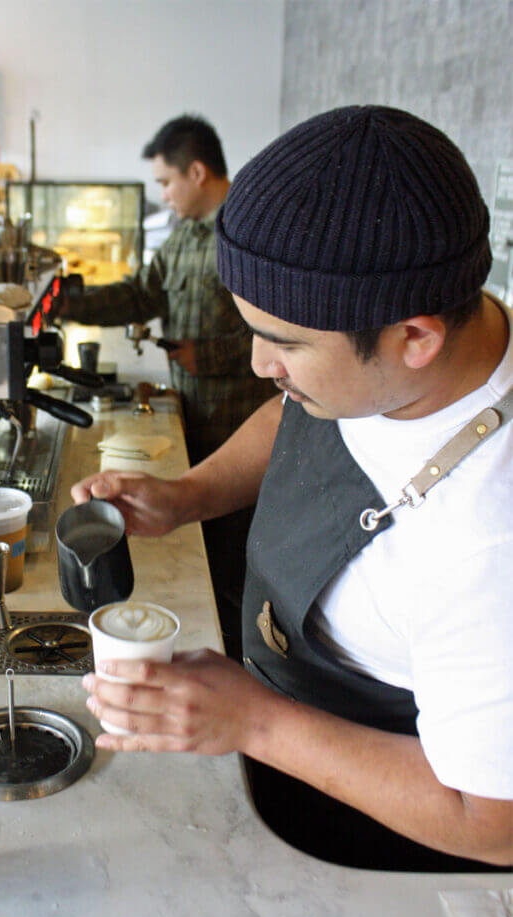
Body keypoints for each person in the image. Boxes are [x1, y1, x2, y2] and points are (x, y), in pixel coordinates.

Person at [72, 106, 513, 872]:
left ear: (415, 337)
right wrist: (189, 495)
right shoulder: (391, 369)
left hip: (379, 843)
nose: (256, 365)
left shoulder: (487, 543)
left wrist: (257, 724)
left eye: (284, 343)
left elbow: (491, 823)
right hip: (270, 731)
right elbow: (296, 418)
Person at [61, 114, 274, 658]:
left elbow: (284, 335)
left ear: (197, 171)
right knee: (205, 553)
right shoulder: (181, 240)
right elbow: (140, 296)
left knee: (235, 566)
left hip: (243, 438)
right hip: (193, 424)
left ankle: (239, 663)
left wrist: (210, 355)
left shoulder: (252, 236)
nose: (163, 194)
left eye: (164, 182)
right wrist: (63, 303)